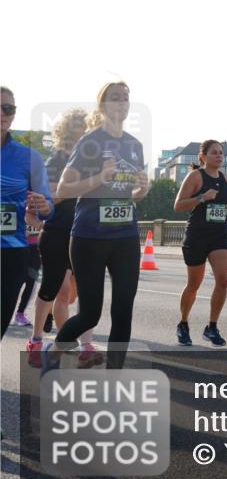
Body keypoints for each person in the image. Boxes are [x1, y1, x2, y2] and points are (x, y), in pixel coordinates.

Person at [45, 81, 149, 372]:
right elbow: (64, 188)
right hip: (89, 237)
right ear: (103, 105)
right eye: (115, 98)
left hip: (125, 236)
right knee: (90, 315)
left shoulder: (134, 145)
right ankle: (53, 352)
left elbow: (133, 195)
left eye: (126, 98)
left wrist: (142, 189)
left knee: (123, 312)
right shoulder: (91, 142)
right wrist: (99, 178)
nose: (122, 103)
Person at [27, 108, 100, 368]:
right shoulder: (55, 161)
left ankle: (76, 341)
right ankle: (37, 339)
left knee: (82, 294)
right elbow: (51, 197)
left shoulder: (91, 161)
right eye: (81, 129)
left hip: (86, 233)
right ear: (68, 133)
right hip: (57, 233)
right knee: (54, 289)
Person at [1, 86, 53, 338]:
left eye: (7, 108)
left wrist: (44, 207)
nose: (2, 113)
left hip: (12, 252)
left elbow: (47, 208)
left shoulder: (29, 158)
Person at [174, 140, 227, 347]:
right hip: (197, 236)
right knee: (194, 284)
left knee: (224, 281)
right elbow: (178, 206)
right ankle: (183, 323)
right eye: (214, 153)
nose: (219, 156)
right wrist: (201, 197)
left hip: (219, 237)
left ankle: (212, 326)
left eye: (221, 153)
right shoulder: (195, 176)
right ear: (203, 157)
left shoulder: (225, 178)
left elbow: (222, 206)